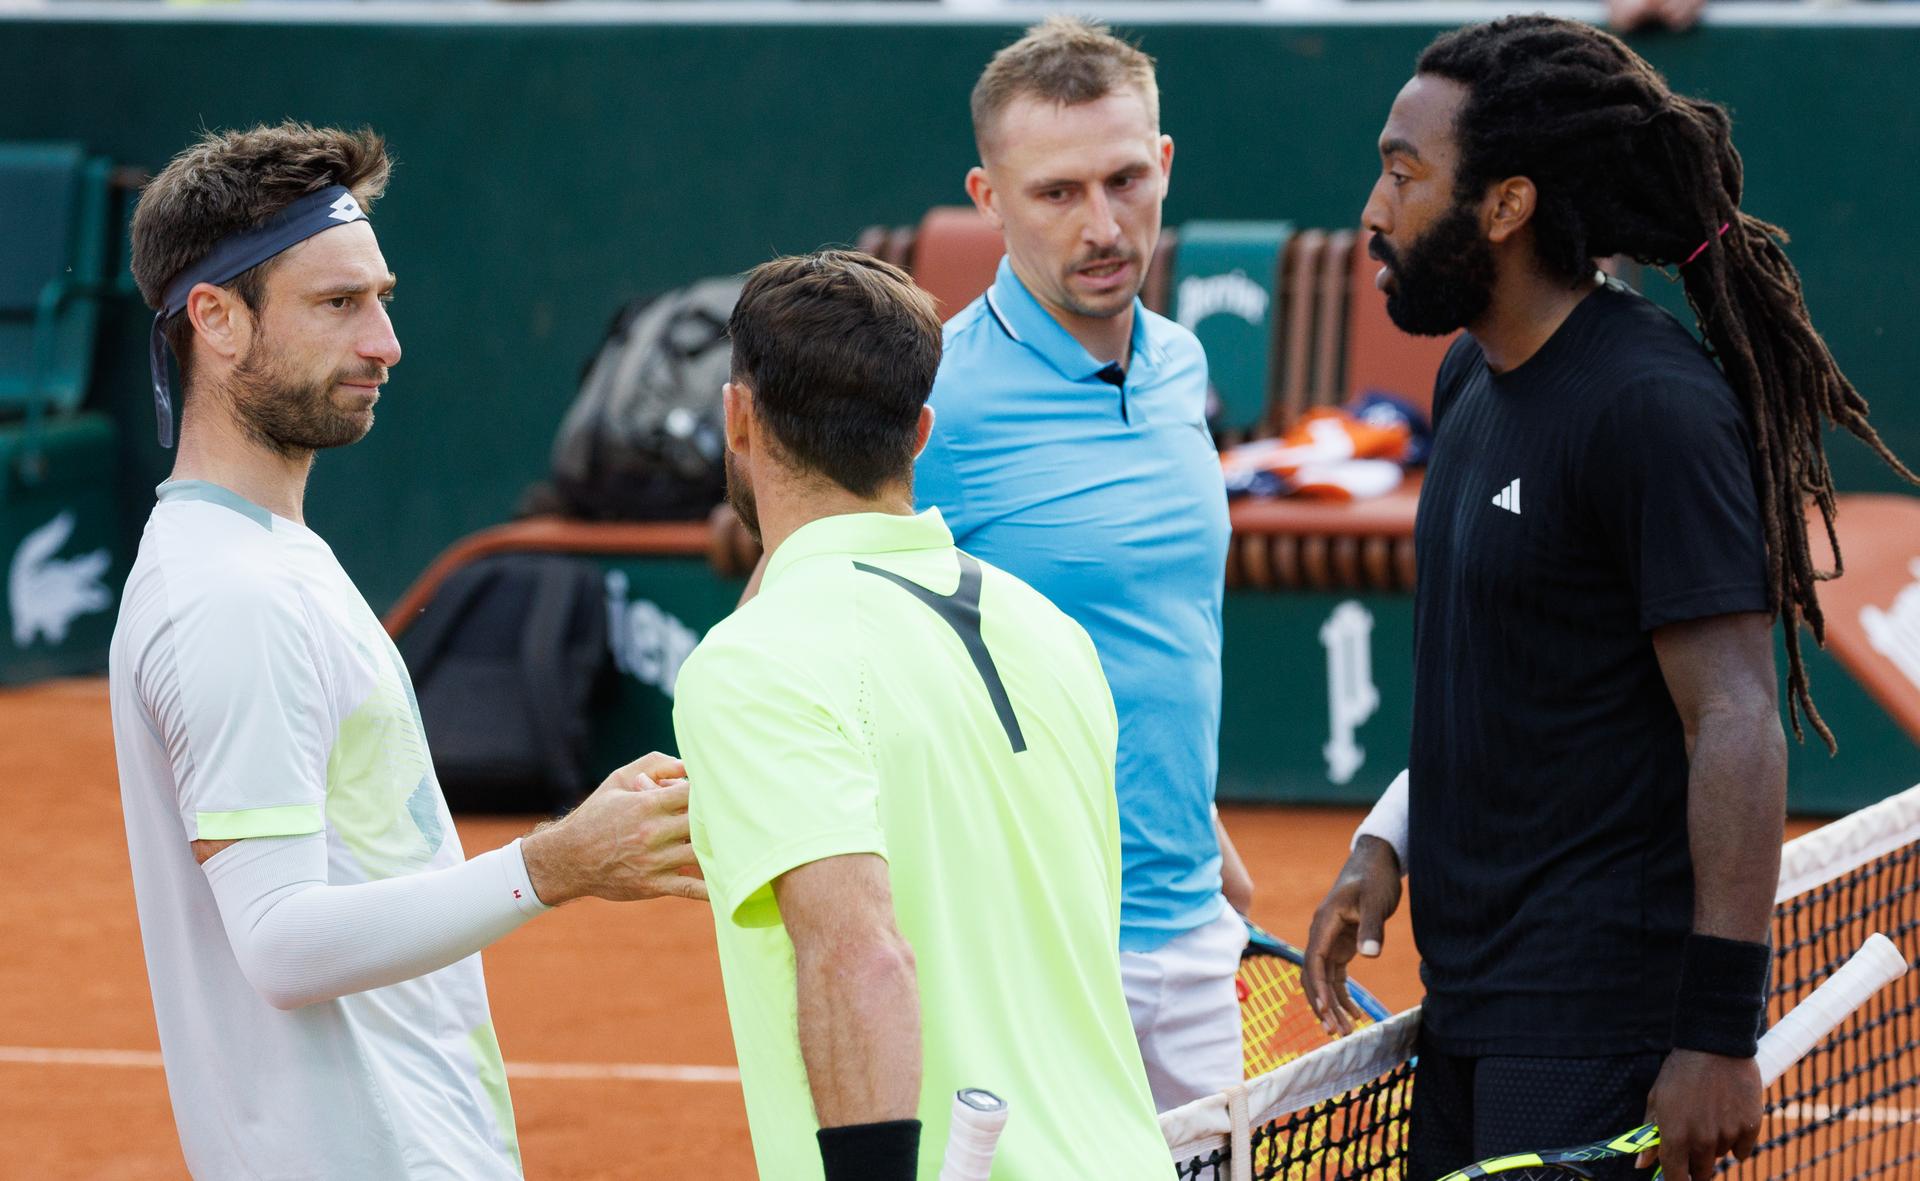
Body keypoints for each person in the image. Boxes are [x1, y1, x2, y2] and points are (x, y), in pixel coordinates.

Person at [1301, 17, 1918, 1181]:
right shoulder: (1470, 376)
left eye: (1403, 173)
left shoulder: (1650, 406)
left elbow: (1736, 718)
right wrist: (1392, 835)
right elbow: (1512, 668)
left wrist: (1717, 1032)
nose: (1374, 211)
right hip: (1469, 999)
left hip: (1590, 1023)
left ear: (1506, 206)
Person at [111, 122, 706, 1180]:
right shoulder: (233, 596)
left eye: (381, 298)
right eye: (339, 304)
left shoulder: (267, 555)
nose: (385, 342)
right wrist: (557, 862)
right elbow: (282, 942)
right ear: (217, 319)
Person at [673, 250, 1169, 1181]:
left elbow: (857, 956)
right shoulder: (1055, 634)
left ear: (739, 418)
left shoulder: (752, 662)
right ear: (921, 432)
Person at [913, 15, 1252, 1111]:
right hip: (1028, 949)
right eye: (1057, 192)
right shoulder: (933, 403)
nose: (1103, 226)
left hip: (1192, 924)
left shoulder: (1181, 364)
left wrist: (1199, 829)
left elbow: (1151, 630)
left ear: (1164, 164)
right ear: (989, 196)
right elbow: (797, 627)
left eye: (1124, 180)